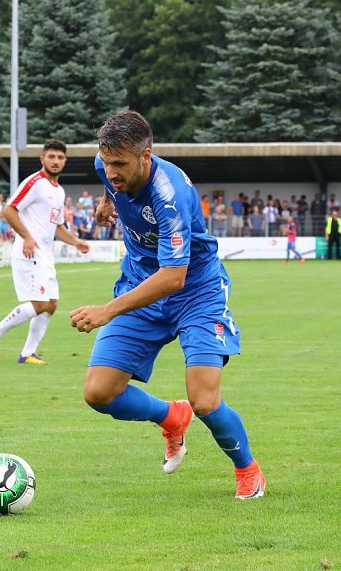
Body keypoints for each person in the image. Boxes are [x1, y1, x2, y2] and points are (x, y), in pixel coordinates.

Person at [71, 110, 265, 500]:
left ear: (146, 156)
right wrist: (108, 201)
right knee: (99, 393)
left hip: (195, 292)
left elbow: (173, 276)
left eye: (120, 165)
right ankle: (171, 417)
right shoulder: (107, 163)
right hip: (140, 285)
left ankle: (248, 469)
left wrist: (108, 310)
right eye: (106, 163)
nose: (110, 172)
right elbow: (109, 177)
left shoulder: (169, 195)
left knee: (204, 400)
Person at [0, 140, 90, 366]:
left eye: (60, 157)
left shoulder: (58, 191)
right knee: (39, 304)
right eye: (51, 156)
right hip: (29, 252)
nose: (56, 161)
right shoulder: (35, 182)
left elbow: (57, 226)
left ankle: (27, 353)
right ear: (42, 159)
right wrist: (28, 237)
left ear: (65, 161)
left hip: (45, 255)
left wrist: (76, 242)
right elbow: (9, 209)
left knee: (51, 305)